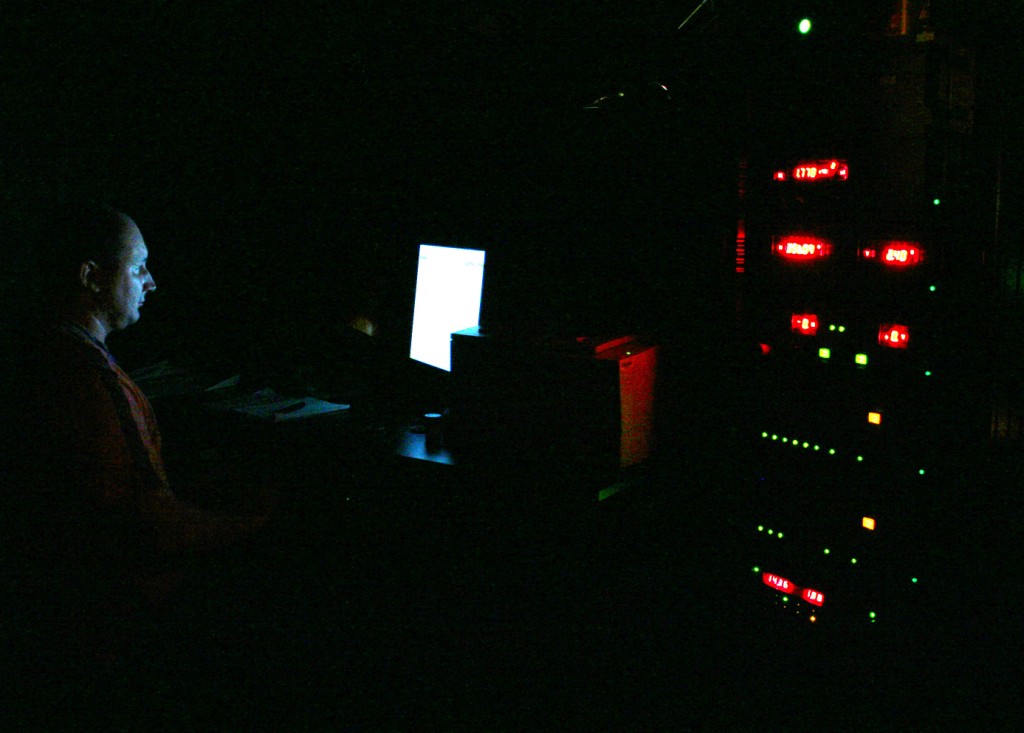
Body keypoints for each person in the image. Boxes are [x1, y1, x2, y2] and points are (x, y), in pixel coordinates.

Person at [1, 204, 273, 718]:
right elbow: (148, 528)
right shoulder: (88, 383)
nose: (151, 282)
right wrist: (256, 525)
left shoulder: (41, 351)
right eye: (138, 267)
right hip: (115, 620)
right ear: (91, 277)